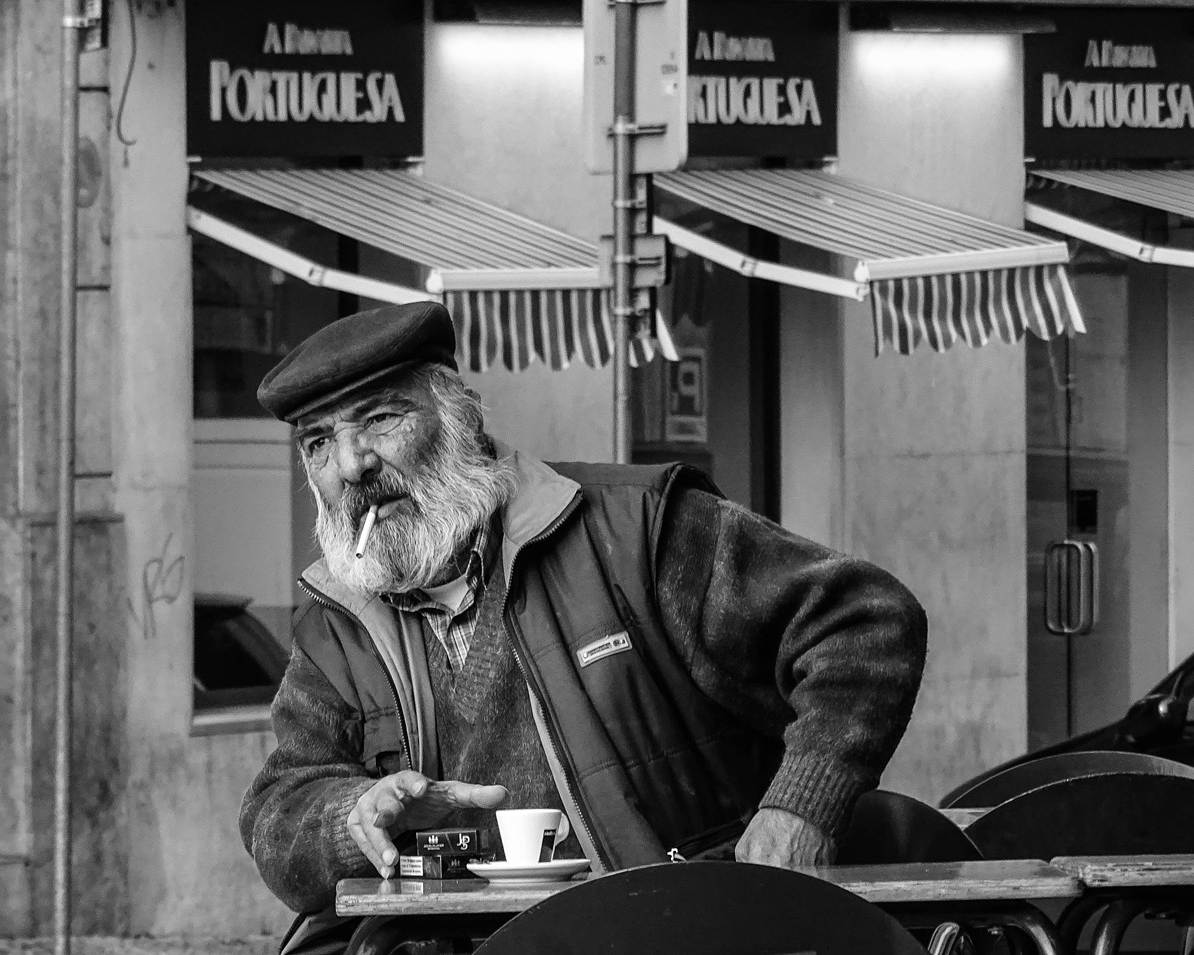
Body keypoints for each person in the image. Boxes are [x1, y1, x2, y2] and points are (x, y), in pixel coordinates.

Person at [240, 301, 927, 946]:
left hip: (668, 938)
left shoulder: (636, 529)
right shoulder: (337, 622)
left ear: (459, 418)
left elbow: (863, 624)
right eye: (320, 443)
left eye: (382, 419)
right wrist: (350, 813)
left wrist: (801, 807)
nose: (352, 464)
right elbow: (278, 808)